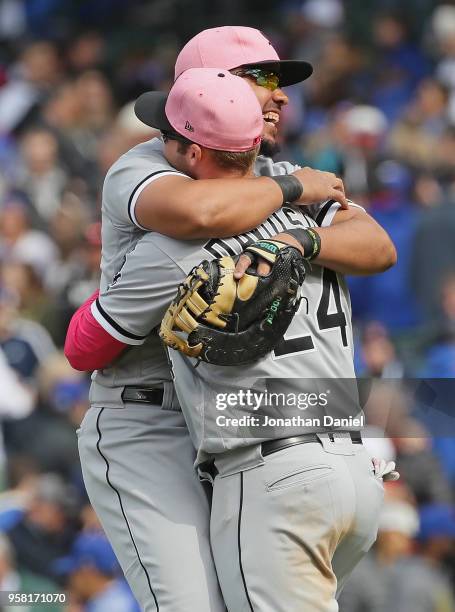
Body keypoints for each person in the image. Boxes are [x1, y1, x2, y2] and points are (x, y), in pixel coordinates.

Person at [66, 26, 396, 611]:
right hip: (151, 417)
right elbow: (204, 210)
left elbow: (377, 244)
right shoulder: (145, 164)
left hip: (244, 423)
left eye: (279, 82)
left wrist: (299, 240)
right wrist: (294, 194)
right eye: (262, 80)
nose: (279, 95)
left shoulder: (271, 171)